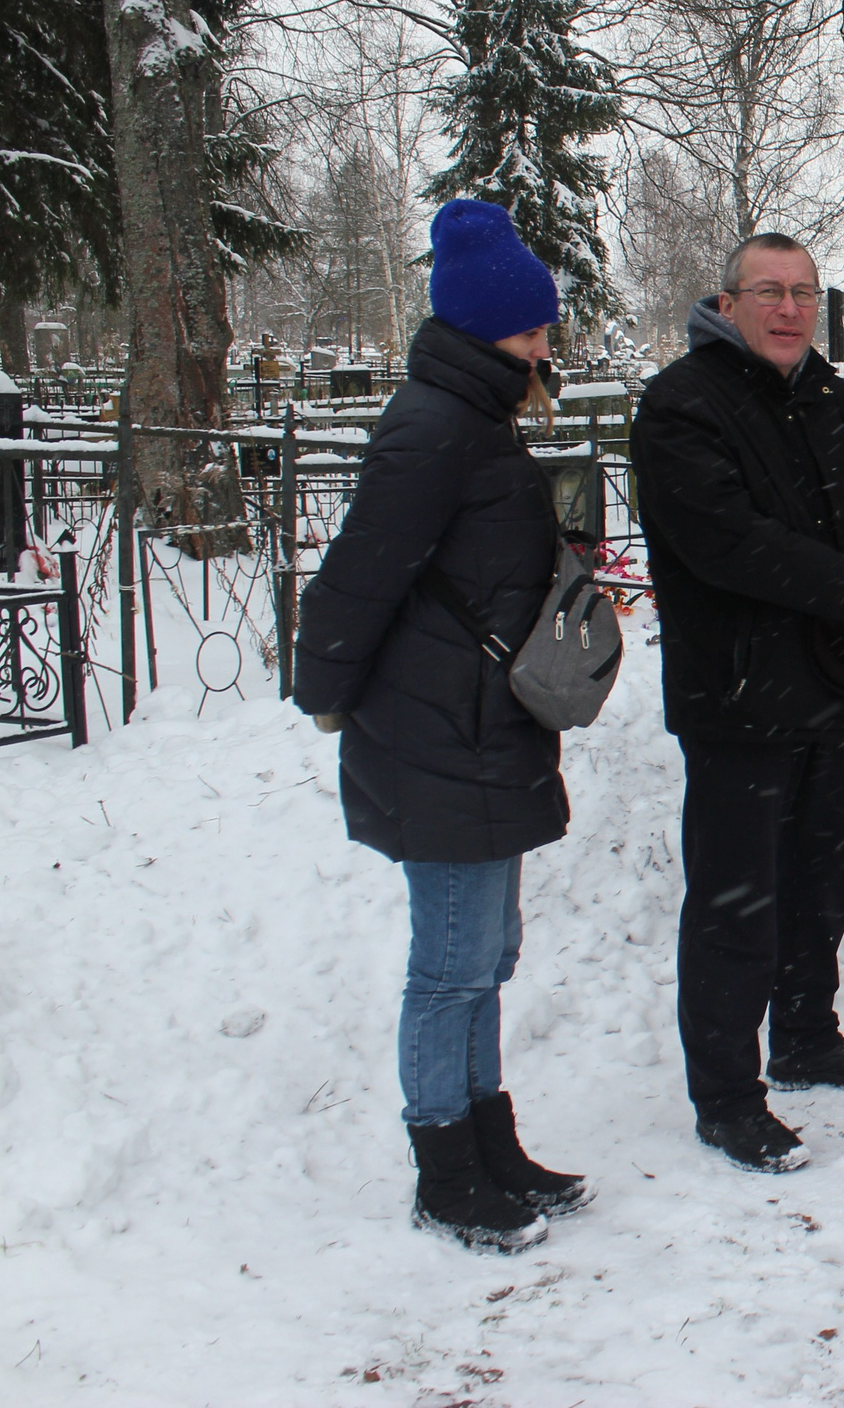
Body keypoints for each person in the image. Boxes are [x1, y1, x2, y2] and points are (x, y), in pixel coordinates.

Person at [294, 198, 588, 1255]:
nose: (542, 348)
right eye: (529, 331)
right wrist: (324, 686)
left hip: (482, 725)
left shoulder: (475, 418)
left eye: (543, 328)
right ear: (478, 329)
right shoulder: (432, 427)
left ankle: (488, 1140)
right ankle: (445, 1170)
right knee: (453, 962)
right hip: (437, 732)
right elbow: (362, 572)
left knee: (488, 953)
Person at [630, 233, 844, 1175]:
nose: (791, 308)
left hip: (832, 688)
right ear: (726, 303)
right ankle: (726, 1094)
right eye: (770, 291)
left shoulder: (829, 397)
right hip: (739, 698)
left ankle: (806, 1036)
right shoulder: (682, 404)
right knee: (737, 903)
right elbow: (726, 539)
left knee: (824, 874)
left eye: (804, 291)